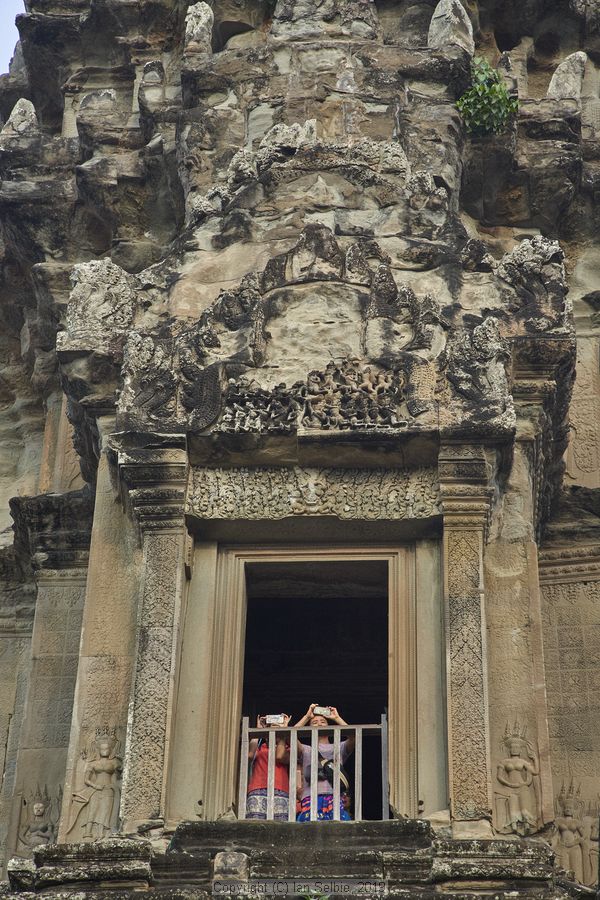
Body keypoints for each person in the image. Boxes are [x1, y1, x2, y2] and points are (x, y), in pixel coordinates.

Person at [295, 703, 354, 821]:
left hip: (334, 796)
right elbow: (290, 736)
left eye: (323, 721)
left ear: (328, 725)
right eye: (314, 722)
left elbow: (354, 736)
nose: (319, 724)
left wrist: (337, 718)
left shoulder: (339, 747)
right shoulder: (306, 749)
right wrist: (307, 716)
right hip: (310, 797)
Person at [246, 714, 291, 821]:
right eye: (271, 729)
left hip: (280, 788)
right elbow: (250, 755)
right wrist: (259, 731)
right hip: (257, 787)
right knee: (255, 824)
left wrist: (283, 732)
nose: (274, 733)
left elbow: (279, 756)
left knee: (279, 826)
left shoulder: (287, 748)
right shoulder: (261, 747)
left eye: (277, 730)